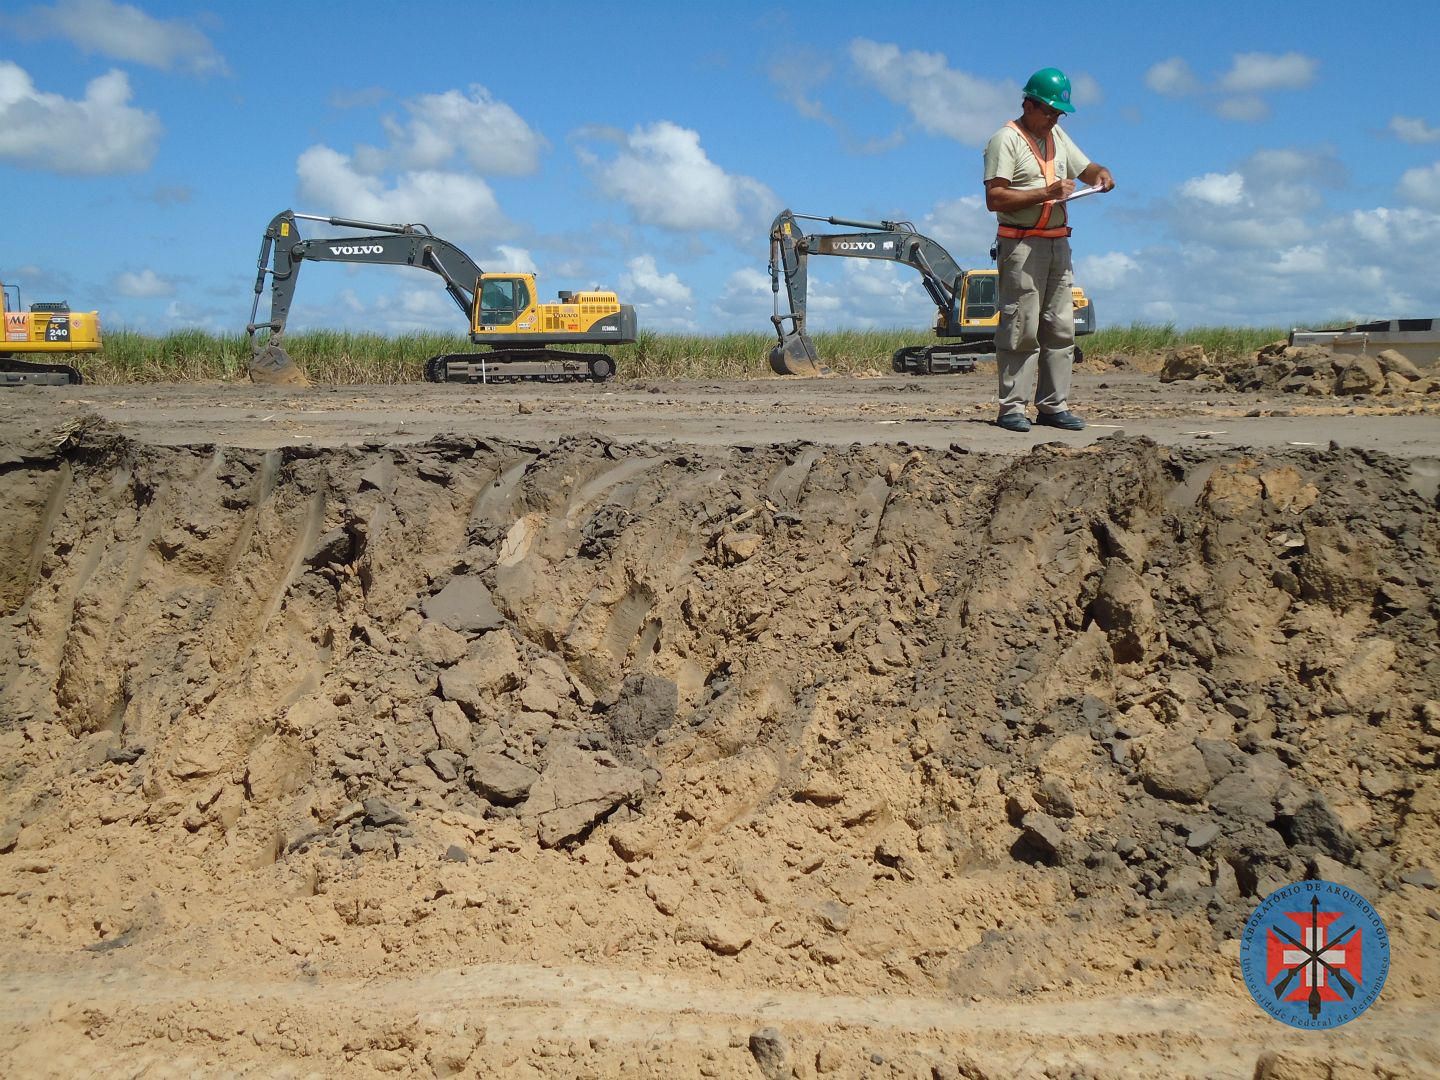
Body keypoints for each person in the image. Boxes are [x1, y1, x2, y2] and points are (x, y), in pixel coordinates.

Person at [983, 67, 1114, 432]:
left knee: (1060, 327)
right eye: (1048, 111)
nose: (1053, 118)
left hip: (1058, 243)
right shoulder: (1005, 140)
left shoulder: (1057, 135)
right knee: (1021, 326)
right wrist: (1047, 193)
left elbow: (1087, 168)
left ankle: (1053, 406)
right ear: (1028, 104)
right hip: (1021, 244)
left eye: (1058, 113)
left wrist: (1101, 174)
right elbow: (994, 198)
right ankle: (1012, 408)